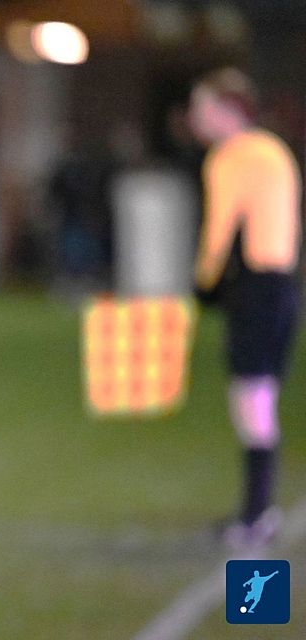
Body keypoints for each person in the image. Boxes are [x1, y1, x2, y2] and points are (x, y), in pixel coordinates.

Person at [187, 67, 302, 546]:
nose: (196, 118)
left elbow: (220, 228)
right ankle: (260, 510)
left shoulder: (230, 157)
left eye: (202, 107)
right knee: (264, 399)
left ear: (228, 111)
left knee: (251, 400)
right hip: (285, 286)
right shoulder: (276, 150)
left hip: (255, 287)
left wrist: (204, 283)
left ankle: (255, 514)